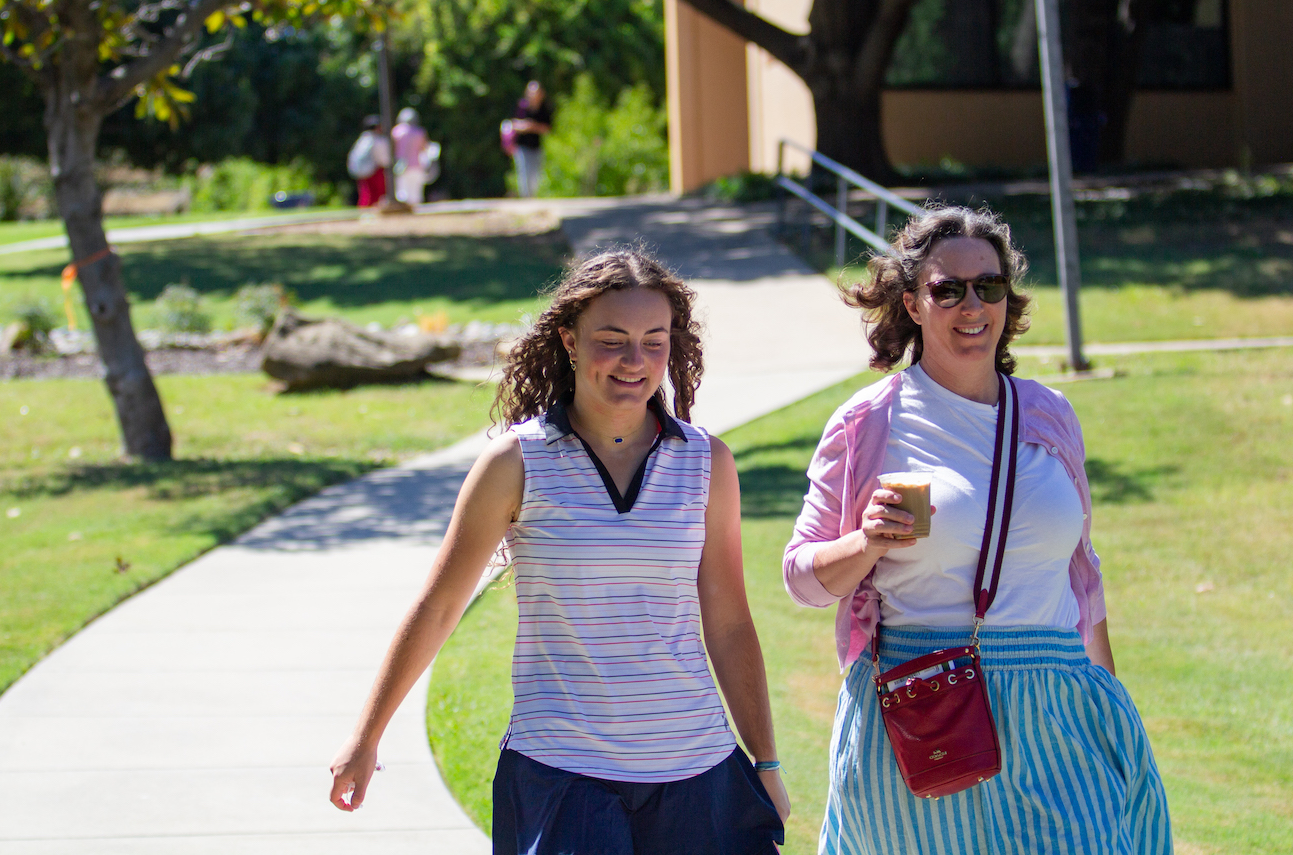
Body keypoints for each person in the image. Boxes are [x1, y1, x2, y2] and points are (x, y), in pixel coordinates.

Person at [330, 249, 790, 855]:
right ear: (570, 341)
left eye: (655, 341)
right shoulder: (516, 463)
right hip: (561, 775)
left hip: (698, 772)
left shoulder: (709, 463)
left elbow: (728, 623)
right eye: (613, 339)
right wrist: (366, 737)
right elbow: (440, 606)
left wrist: (766, 762)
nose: (635, 361)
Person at [782, 206, 1171, 854]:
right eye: (948, 289)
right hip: (925, 707)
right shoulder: (869, 423)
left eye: (989, 287)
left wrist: (1109, 698)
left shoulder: (1050, 416)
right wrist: (867, 542)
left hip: (1058, 704)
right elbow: (801, 578)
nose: (973, 305)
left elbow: (1082, 578)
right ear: (911, 302)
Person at [511, 80, 552, 198]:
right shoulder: (521, 107)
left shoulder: (544, 109)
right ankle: (526, 198)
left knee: (535, 174)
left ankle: (532, 197)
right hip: (522, 146)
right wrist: (525, 126)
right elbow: (513, 123)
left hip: (536, 146)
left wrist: (533, 126)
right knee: (524, 172)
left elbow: (547, 128)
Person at [346, 115, 391, 208]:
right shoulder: (377, 139)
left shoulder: (362, 139)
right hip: (375, 171)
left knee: (366, 193)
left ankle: (364, 212)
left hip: (362, 172)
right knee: (378, 194)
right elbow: (383, 159)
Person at [391, 107, 431, 207]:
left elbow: (392, 148)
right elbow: (425, 148)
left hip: (400, 165)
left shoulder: (396, 131)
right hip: (417, 165)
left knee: (402, 190)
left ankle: (404, 212)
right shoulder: (419, 132)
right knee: (416, 191)